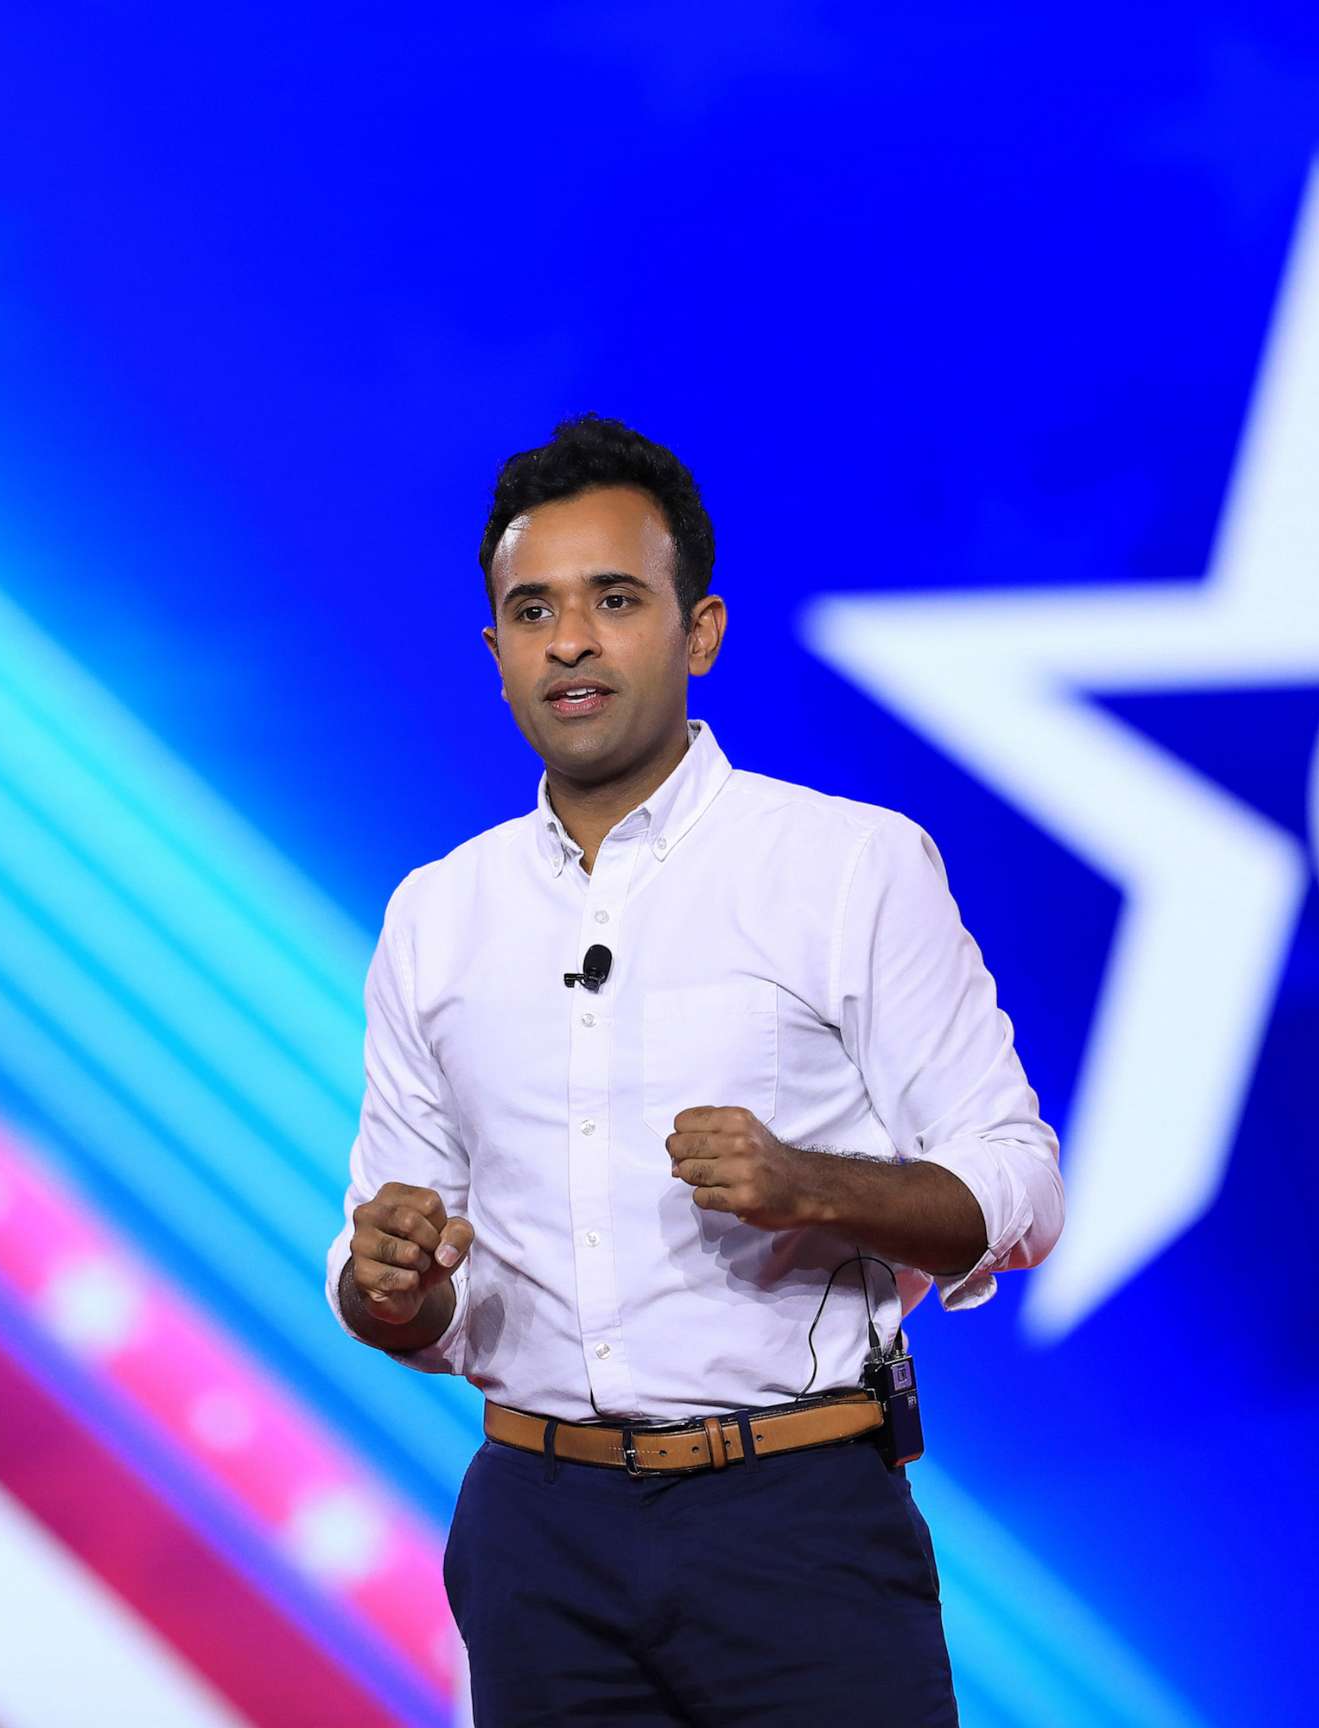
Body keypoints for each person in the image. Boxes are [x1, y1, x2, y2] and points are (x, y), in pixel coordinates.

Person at [325, 416, 1064, 1725]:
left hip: (794, 1525)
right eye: (532, 609)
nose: (570, 640)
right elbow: (412, 1291)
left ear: (699, 631)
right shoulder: (436, 917)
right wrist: (384, 1283)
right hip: (534, 1534)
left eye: (615, 600)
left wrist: (808, 1185)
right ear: (496, 653)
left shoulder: (848, 867)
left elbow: (1019, 1185)